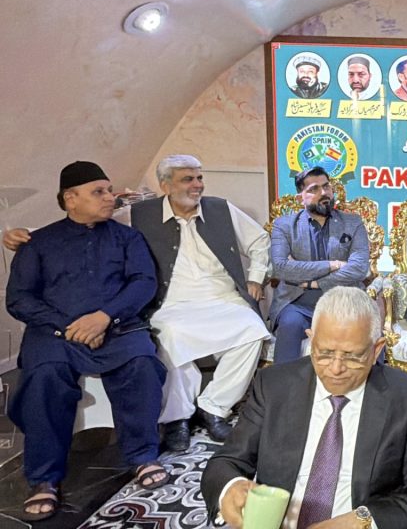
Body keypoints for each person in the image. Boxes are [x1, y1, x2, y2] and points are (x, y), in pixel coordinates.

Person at [5, 155, 272, 452]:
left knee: (252, 330)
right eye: (187, 179)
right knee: (170, 337)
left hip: (223, 297)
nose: (197, 185)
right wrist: (24, 234)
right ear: (165, 185)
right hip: (172, 302)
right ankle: (178, 417)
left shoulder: (222, 208)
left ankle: (214, 406)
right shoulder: (139, 214)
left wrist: (256, 278)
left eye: (199, 178)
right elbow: (79, 224)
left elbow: (260, 240)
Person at [201, 287, 407, 529]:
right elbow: (226, 462)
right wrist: (230, 487)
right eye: (325, 352)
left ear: (376, 350)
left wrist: (364, 520)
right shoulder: (274, 385)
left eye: (352, 356)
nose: (336, 368)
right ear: (311, 339)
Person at [7, 161, 168, 521]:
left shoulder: (127, 238)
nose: (110, 197)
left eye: (109, 190)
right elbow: (19, 298)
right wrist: (69, 327)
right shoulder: (39, 242)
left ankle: (142, 456)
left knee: (142, 364)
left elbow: (143, 282)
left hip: (116, 327)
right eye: (99, 191)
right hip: (56, 334)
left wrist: (104, 317)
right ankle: (44, 478)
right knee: (43, 377)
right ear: (71, 198)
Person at [270, 166, 370, 363]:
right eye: (313, 189)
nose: (323, 193)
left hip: (344, 299)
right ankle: (284, 383)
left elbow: (359, 268)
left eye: (326, 186)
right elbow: (281, 268)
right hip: (297, 302)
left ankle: (367, 382)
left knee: (365, 329)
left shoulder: (353, 223)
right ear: (300, 197)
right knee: (290, 325)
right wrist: (332, 264)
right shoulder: (284, 226)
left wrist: (313, 283)